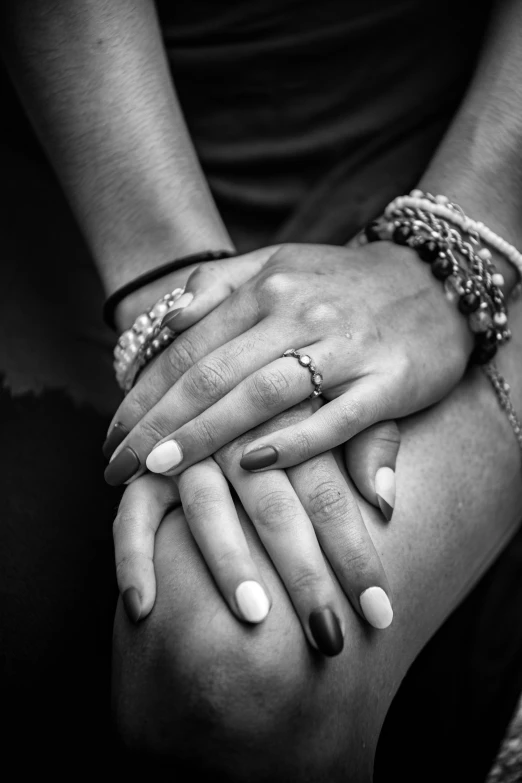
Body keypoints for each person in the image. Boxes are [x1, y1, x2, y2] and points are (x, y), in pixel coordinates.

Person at [2, 1, 522, 780]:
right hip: (93, 154)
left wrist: (449, 254)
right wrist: (186, 308)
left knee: (243, 666)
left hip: (483, 155)